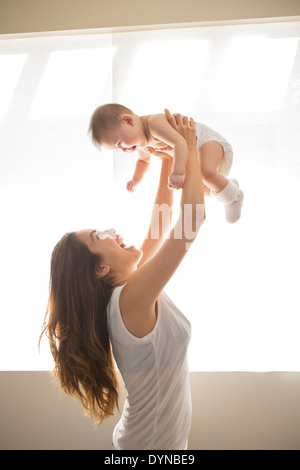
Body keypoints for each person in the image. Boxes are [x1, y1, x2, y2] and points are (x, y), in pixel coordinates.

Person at [40, 111, 205, 450]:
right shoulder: (130, 301)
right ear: (100, 269)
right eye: (100, 236)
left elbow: (161, 222)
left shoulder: (130, 292)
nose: (113, 231)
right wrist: (189, 147)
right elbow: (193, 221)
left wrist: (168, 161)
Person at [89, 103, 244, 223]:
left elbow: (180, 143)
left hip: (210, 143)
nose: (123, 150)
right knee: (192, 183)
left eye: (120, 143)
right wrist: (135, 180)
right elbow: (143, 160)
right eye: (117, 149)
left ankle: (233, 198)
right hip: (197, 155)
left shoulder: (153, 124)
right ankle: (226, 186)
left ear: (128, 121)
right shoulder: (143, 143)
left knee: (206, 173)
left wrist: (176, 173)